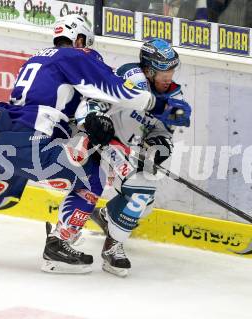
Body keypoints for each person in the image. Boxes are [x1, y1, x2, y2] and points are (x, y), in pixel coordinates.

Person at [0, 14, 164, 275]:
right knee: (91, 180)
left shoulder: (37, 58)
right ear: (79, 39)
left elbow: (58, 102)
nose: (88, 51)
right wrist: (153, 103)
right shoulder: (75, 55)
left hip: (2, 134)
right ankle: (57, 247)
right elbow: (113, 88)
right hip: (34, 138)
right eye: (86, 44)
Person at [56, 38, 191, 277]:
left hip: (125, 149)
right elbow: (94, 101)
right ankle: (63, 235)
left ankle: (111, 236)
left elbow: (161, 131)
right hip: (97, 139)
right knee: (87, 187)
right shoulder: (131, 78)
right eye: (163, 71)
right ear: (148, 69)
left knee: (144, 200)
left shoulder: (175, 95)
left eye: (171, 69)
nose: (168, 76)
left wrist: (158, 146)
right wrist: (93, 120)